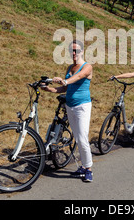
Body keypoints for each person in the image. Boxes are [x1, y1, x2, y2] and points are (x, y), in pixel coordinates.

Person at [41, 40, 94, 182]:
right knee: (77, 138)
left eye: (76, 50)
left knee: (82, 138)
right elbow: (64, 89)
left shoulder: (87, 66)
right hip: (70, 106)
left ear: (82, 51)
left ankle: (88, 169)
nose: (74, 53)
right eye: (72, 51)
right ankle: (83, 166)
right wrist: (49, 89)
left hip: (82, 106)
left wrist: (65, 81)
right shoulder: (70, 67)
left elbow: (79, 76)